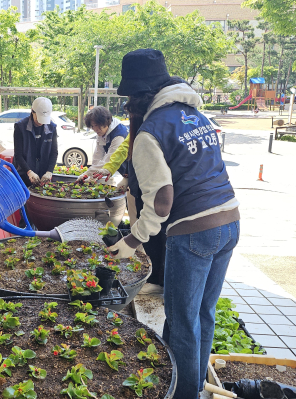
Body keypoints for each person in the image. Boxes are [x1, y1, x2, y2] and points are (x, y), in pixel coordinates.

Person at [108, 49, 240, 399]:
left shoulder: (149, 132)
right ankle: (193, 384)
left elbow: (162, 200)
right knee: (203, 313)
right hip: (230, 222)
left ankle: (182, 394)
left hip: (194, 230)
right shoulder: (193, 114)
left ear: (137, 98)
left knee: (182, 321)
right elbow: (189, 168)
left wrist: (134, 240)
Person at [91, 134, 166, 294]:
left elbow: (161, 200)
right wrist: (116, 171)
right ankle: (150, 272)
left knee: (157, 234)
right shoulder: (141, 127)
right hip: (140, 185)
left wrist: (134, 239)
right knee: (145, 231)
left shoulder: (154, 127)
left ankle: (157, 281)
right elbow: (126, 148)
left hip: (157, 191)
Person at [75, 106, 128, 185]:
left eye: (96, 125)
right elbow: (98, 155)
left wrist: (87, 173)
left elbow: (109, 159)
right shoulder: (102, 132)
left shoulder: (119, 135)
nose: (95, 129)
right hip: (125, 172)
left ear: (105, 122)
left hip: (134, 170)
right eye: (92, 126)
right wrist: (91, 177)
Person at [13, 97, 58, 186]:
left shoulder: (51, 127)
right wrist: (29, 172)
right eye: (39, 119)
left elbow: (54, 152)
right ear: (32, 111)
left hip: (43, 173)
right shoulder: (20, 127)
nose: (41, 123)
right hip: (24, 173)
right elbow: (18, 154)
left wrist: (49, 172)